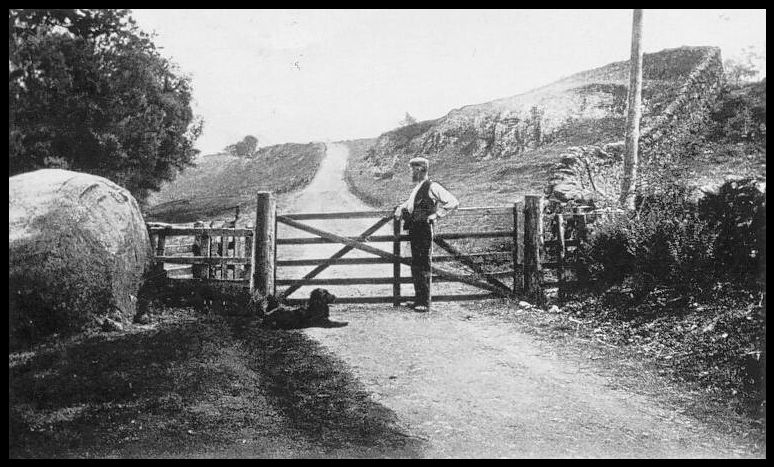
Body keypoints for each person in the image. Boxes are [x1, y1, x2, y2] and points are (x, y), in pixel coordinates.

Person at [393, 157, 459, 312]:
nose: (410, 172)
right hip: (415, 229)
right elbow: (411, 205)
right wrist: (400, 208)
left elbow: (453, 202)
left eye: (412, 169)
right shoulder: (418, 187)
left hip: (423, 229)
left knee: (423, 264)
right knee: (416, 264)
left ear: (419, 169)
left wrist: (437, 215)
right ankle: (419, 300)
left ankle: (424, 302)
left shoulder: (432, 186)